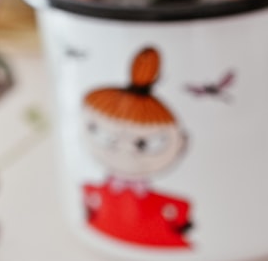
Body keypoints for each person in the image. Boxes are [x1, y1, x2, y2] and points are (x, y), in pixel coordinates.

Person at [81, 46, 192, 248]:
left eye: (144, 144)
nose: (125, 151)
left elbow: (182, 215)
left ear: (181, 143)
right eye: (106, 136)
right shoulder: (92, 192)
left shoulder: (168, 206)